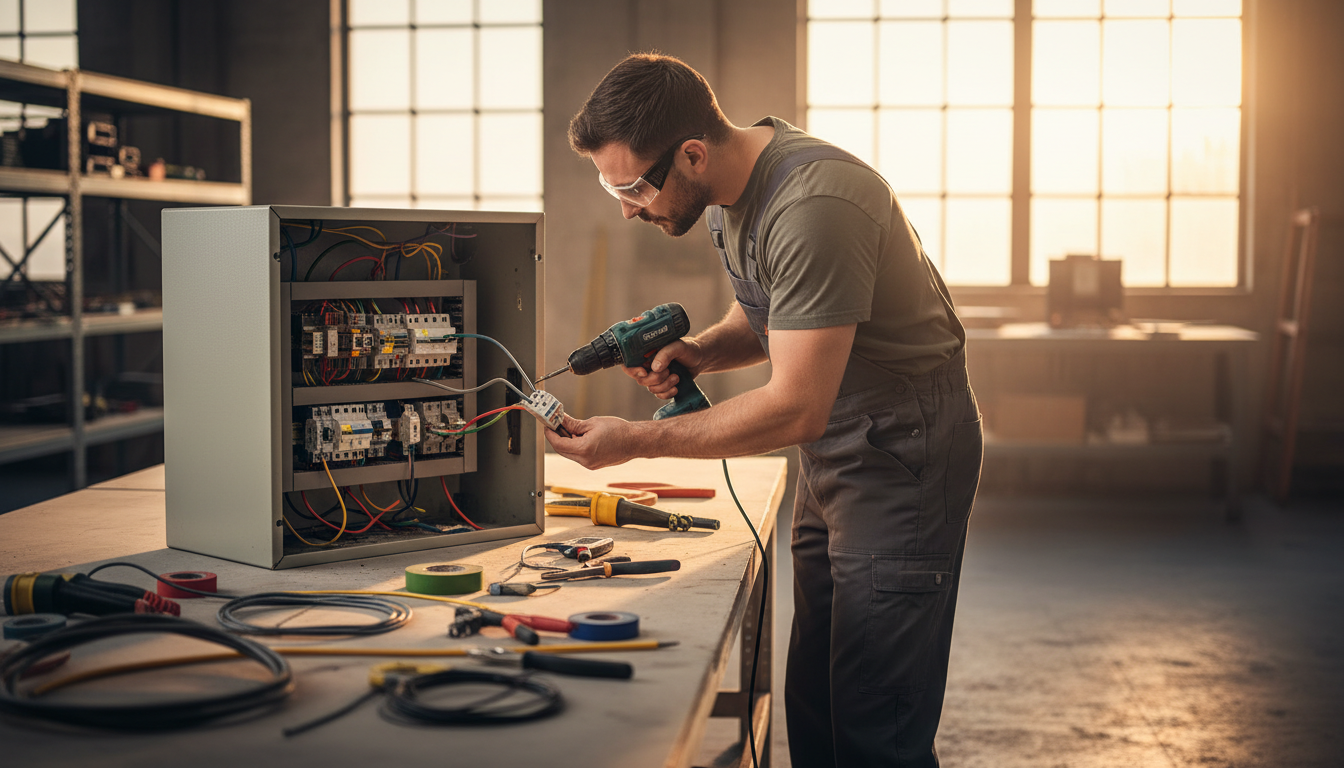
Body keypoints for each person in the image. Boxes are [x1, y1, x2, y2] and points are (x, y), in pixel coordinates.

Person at [547, 53, 983, 768]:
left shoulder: (817, 206)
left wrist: (635, 441)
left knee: (875, 721)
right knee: (815, 696)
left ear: (692, 154)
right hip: (839, 445)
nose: (626, 209)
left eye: (633, 188)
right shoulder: (728, 197)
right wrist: (702, 351)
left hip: (903, 450)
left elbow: (796, 408)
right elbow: (782, 314)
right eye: (611, 189)